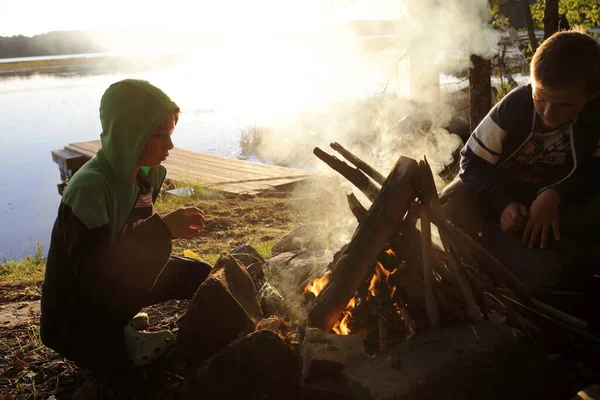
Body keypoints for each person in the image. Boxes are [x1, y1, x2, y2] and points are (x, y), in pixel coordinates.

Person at [40, 79, 213, 375]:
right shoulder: (90, 188)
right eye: (159, 135)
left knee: (201, 275)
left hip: (111, 285)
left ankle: (122, 321)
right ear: (129, 134)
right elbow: (94, 275)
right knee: (116, 366)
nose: (170, 145)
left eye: (170, 133)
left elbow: (134, 242)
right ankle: (115, 343)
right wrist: (165, 230)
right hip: (76, 316)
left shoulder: (146, 174)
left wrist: (160, 233)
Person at [445, 30, 600, 295]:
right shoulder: (514, 107)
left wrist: (555, 195)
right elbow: (471, 163)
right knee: (448, 203)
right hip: (502, 194)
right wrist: (503, 203)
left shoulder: (596, 115)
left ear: (592, 94)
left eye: (563, 105)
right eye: (540, 99)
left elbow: (596, 170)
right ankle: (498, 254)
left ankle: (550, 263)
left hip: (557, 202)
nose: (549, 113)